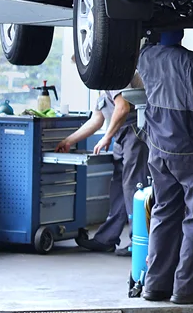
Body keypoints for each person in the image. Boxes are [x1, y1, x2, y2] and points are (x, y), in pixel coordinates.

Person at [138, 29, 193, 305]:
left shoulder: (146, 57)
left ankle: (155, 285)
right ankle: (187, 288)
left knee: (164, 211)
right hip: (191, 152)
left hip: (158, 150)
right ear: (182, 32)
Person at [54, 73, 147, 255]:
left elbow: (123, 107)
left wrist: (107, 137)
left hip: (135, 133)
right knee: (118, 190)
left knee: (134, 189)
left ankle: (139, 244)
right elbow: (97, 120)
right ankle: (106, 239)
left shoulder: (115, 76)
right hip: (122, 136)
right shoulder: (103, 85)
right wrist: (68, 141)